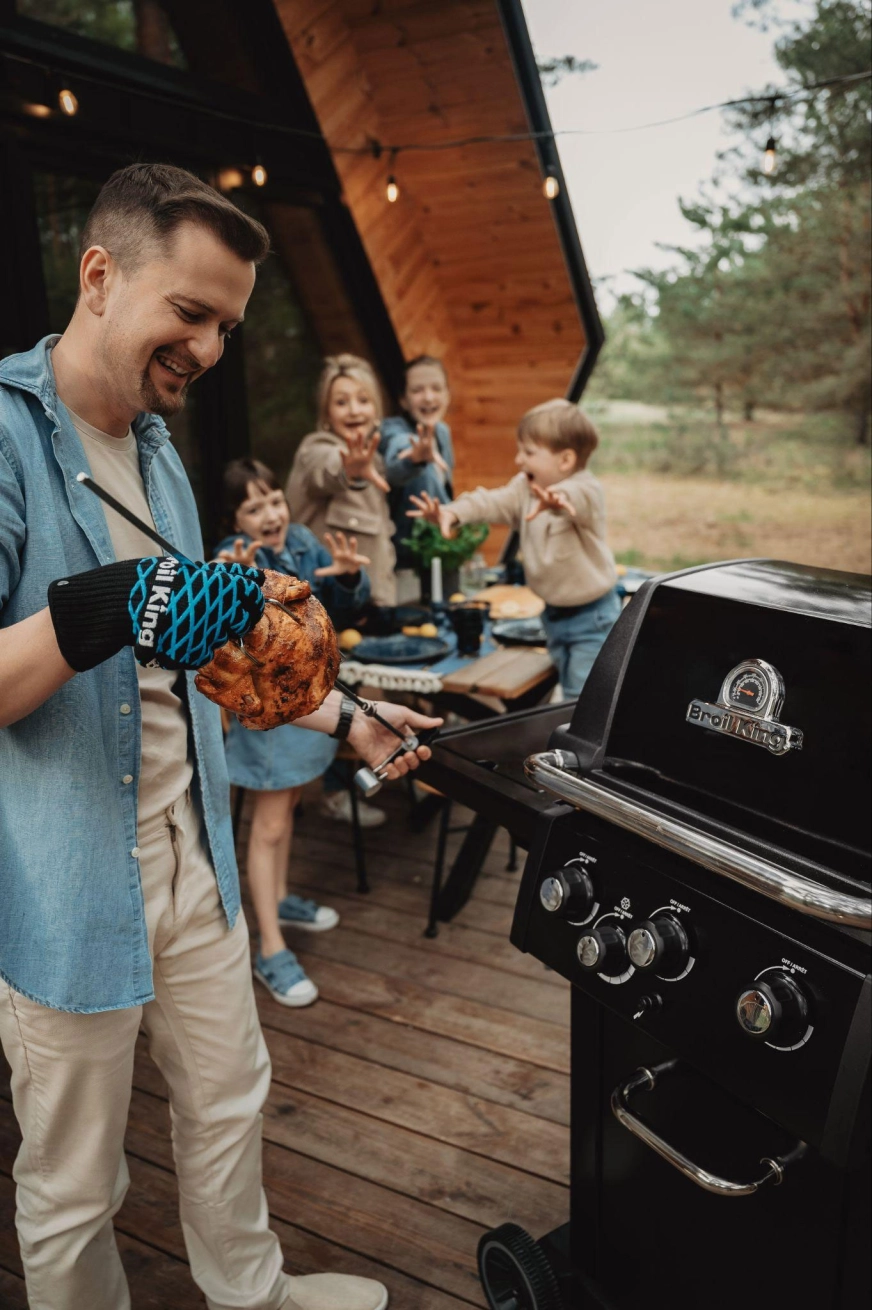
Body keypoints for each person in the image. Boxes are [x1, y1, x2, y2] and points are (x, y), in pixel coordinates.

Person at [0, 162, 440, 1310]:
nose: (207, 347)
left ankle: (251, 1292)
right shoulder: (1, 436)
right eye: (189, 312)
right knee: (73, 1177)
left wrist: (347, 712)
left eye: (228, 325)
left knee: (231, 1094)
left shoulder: (155, 450)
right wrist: (105, 603)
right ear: (99, 274)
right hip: (62, 876)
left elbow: (212, 655)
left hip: (190, 849)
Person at [215, 456, 371, 1008]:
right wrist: (233, 582)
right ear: (236, 521)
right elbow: (225, 644)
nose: (270, 513)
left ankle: (278, 898)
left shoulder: (303, 541)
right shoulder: (235, 563)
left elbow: (343, 606)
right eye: (253, 507)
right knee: (270, 826)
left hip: (309, 708)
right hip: (269, 720)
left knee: (286, 820)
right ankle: (270, 950)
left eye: (274, 499)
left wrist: (351, 579)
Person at [409, 398, 621, 698]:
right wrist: (453, 512)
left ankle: (580, 743)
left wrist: (557, 501)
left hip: (593, 617)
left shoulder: (585, 489)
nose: (519, 460)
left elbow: (574, 501)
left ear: (565, 461)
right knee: (567, 694)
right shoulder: (524, 488)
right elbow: (490, 501)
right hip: (554, 616)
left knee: (582, 701)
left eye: (529, 452)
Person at [285, 354, 396, 607]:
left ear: (376, 409)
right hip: (327, 616)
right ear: (327, 414)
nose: (354, 410)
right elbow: (325, 468)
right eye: (341, 402)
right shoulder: (315, 449)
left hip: (374, 613)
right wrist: (348, 469)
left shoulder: (373, 460)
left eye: (363, 400)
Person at [379, 355, 455, 570]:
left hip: (440, 552)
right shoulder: (392, 430)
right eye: (417, 390)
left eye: (436, 388)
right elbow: (395, 466)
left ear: (447, 394)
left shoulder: (442, 432)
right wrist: (414, 458)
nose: (429, 397)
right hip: (403, 563)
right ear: (403, 400)